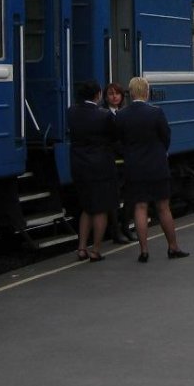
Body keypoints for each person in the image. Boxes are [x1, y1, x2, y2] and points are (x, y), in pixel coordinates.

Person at [116, 76, 188, 263]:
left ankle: (144, 251)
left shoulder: (122, 115)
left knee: (140, 207)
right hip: (156, 166)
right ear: (146, 92)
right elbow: (166, 137)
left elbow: (119, 141)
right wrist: (160, 151)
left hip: (134, 167)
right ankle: (172, 247)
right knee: (163, 207)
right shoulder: (156, 113)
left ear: (130, 93)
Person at [66, 80, 119, 263]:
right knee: (101, 209)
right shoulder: (103, 115)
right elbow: (115, 136)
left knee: (87, 208)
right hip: (101, 167)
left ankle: (81, 248)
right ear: (97, 95)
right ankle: (95, 250)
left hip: (79, 166)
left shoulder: (71, 112)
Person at [101, 82, 133, 243]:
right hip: (113, 161)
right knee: (114, 198)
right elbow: (111, 140)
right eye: (111, 94)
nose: (114, 96)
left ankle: (126, 227)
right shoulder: (105, 115)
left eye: (117, 94)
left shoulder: (125, 113)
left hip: (126, 161)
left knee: (129, 196)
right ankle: (116, 231)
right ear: (106, 97)